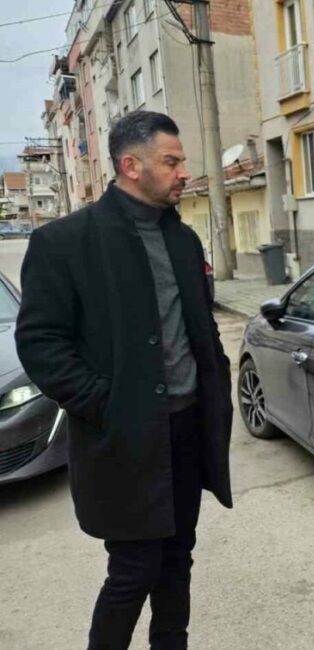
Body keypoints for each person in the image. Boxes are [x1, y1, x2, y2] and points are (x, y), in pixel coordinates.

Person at [15, 111, 233, 650]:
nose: (184, 172)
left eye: (181, 161)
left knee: (178, 558)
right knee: (134, 570)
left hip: (186, 433)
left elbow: (198, 327)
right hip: (125, 440)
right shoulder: (65, 244)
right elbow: (41, 344)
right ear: (131, 166)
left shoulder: (182, 240)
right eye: (172, 161)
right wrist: (105, 404)